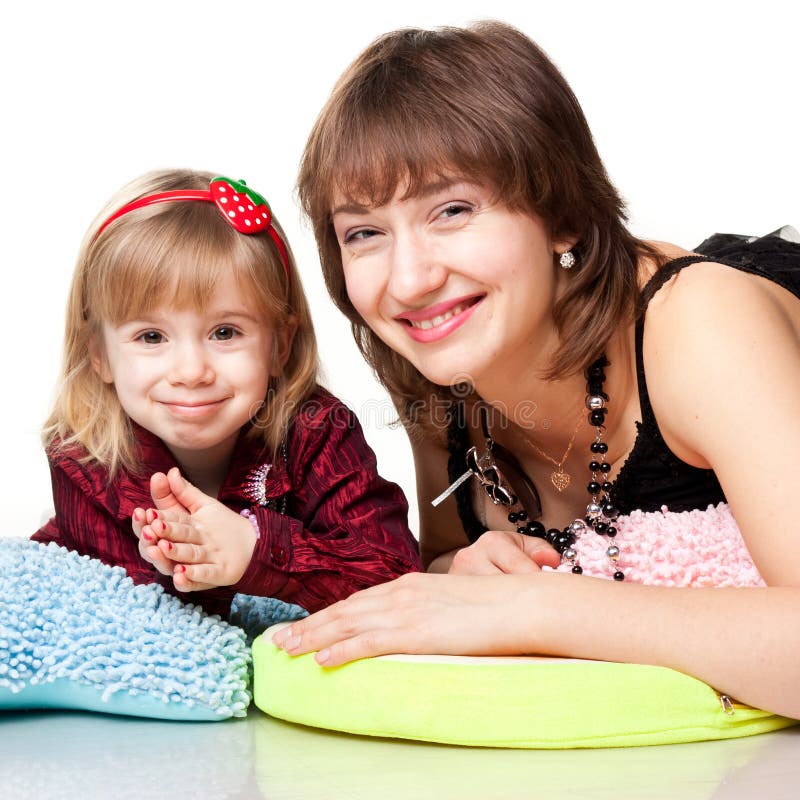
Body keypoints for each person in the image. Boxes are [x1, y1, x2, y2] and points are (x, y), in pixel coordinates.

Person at [273, 22, 800, 718]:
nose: (408, 280)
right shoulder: (446, 364)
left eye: (452, 210)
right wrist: (464, 574)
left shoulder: (700, 327)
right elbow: (448, 561)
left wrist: (540, 606)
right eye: (364, 233)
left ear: (564, 216)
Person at [33, 168, 421, 618]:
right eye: (151, 337)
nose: (191, 371)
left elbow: (395, 575)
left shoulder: (317, 432)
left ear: (280, 344)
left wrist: (254, 549)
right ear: (98, 353)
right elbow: (114, 613)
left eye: (224, 332)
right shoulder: (84, 456)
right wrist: (182, 568)